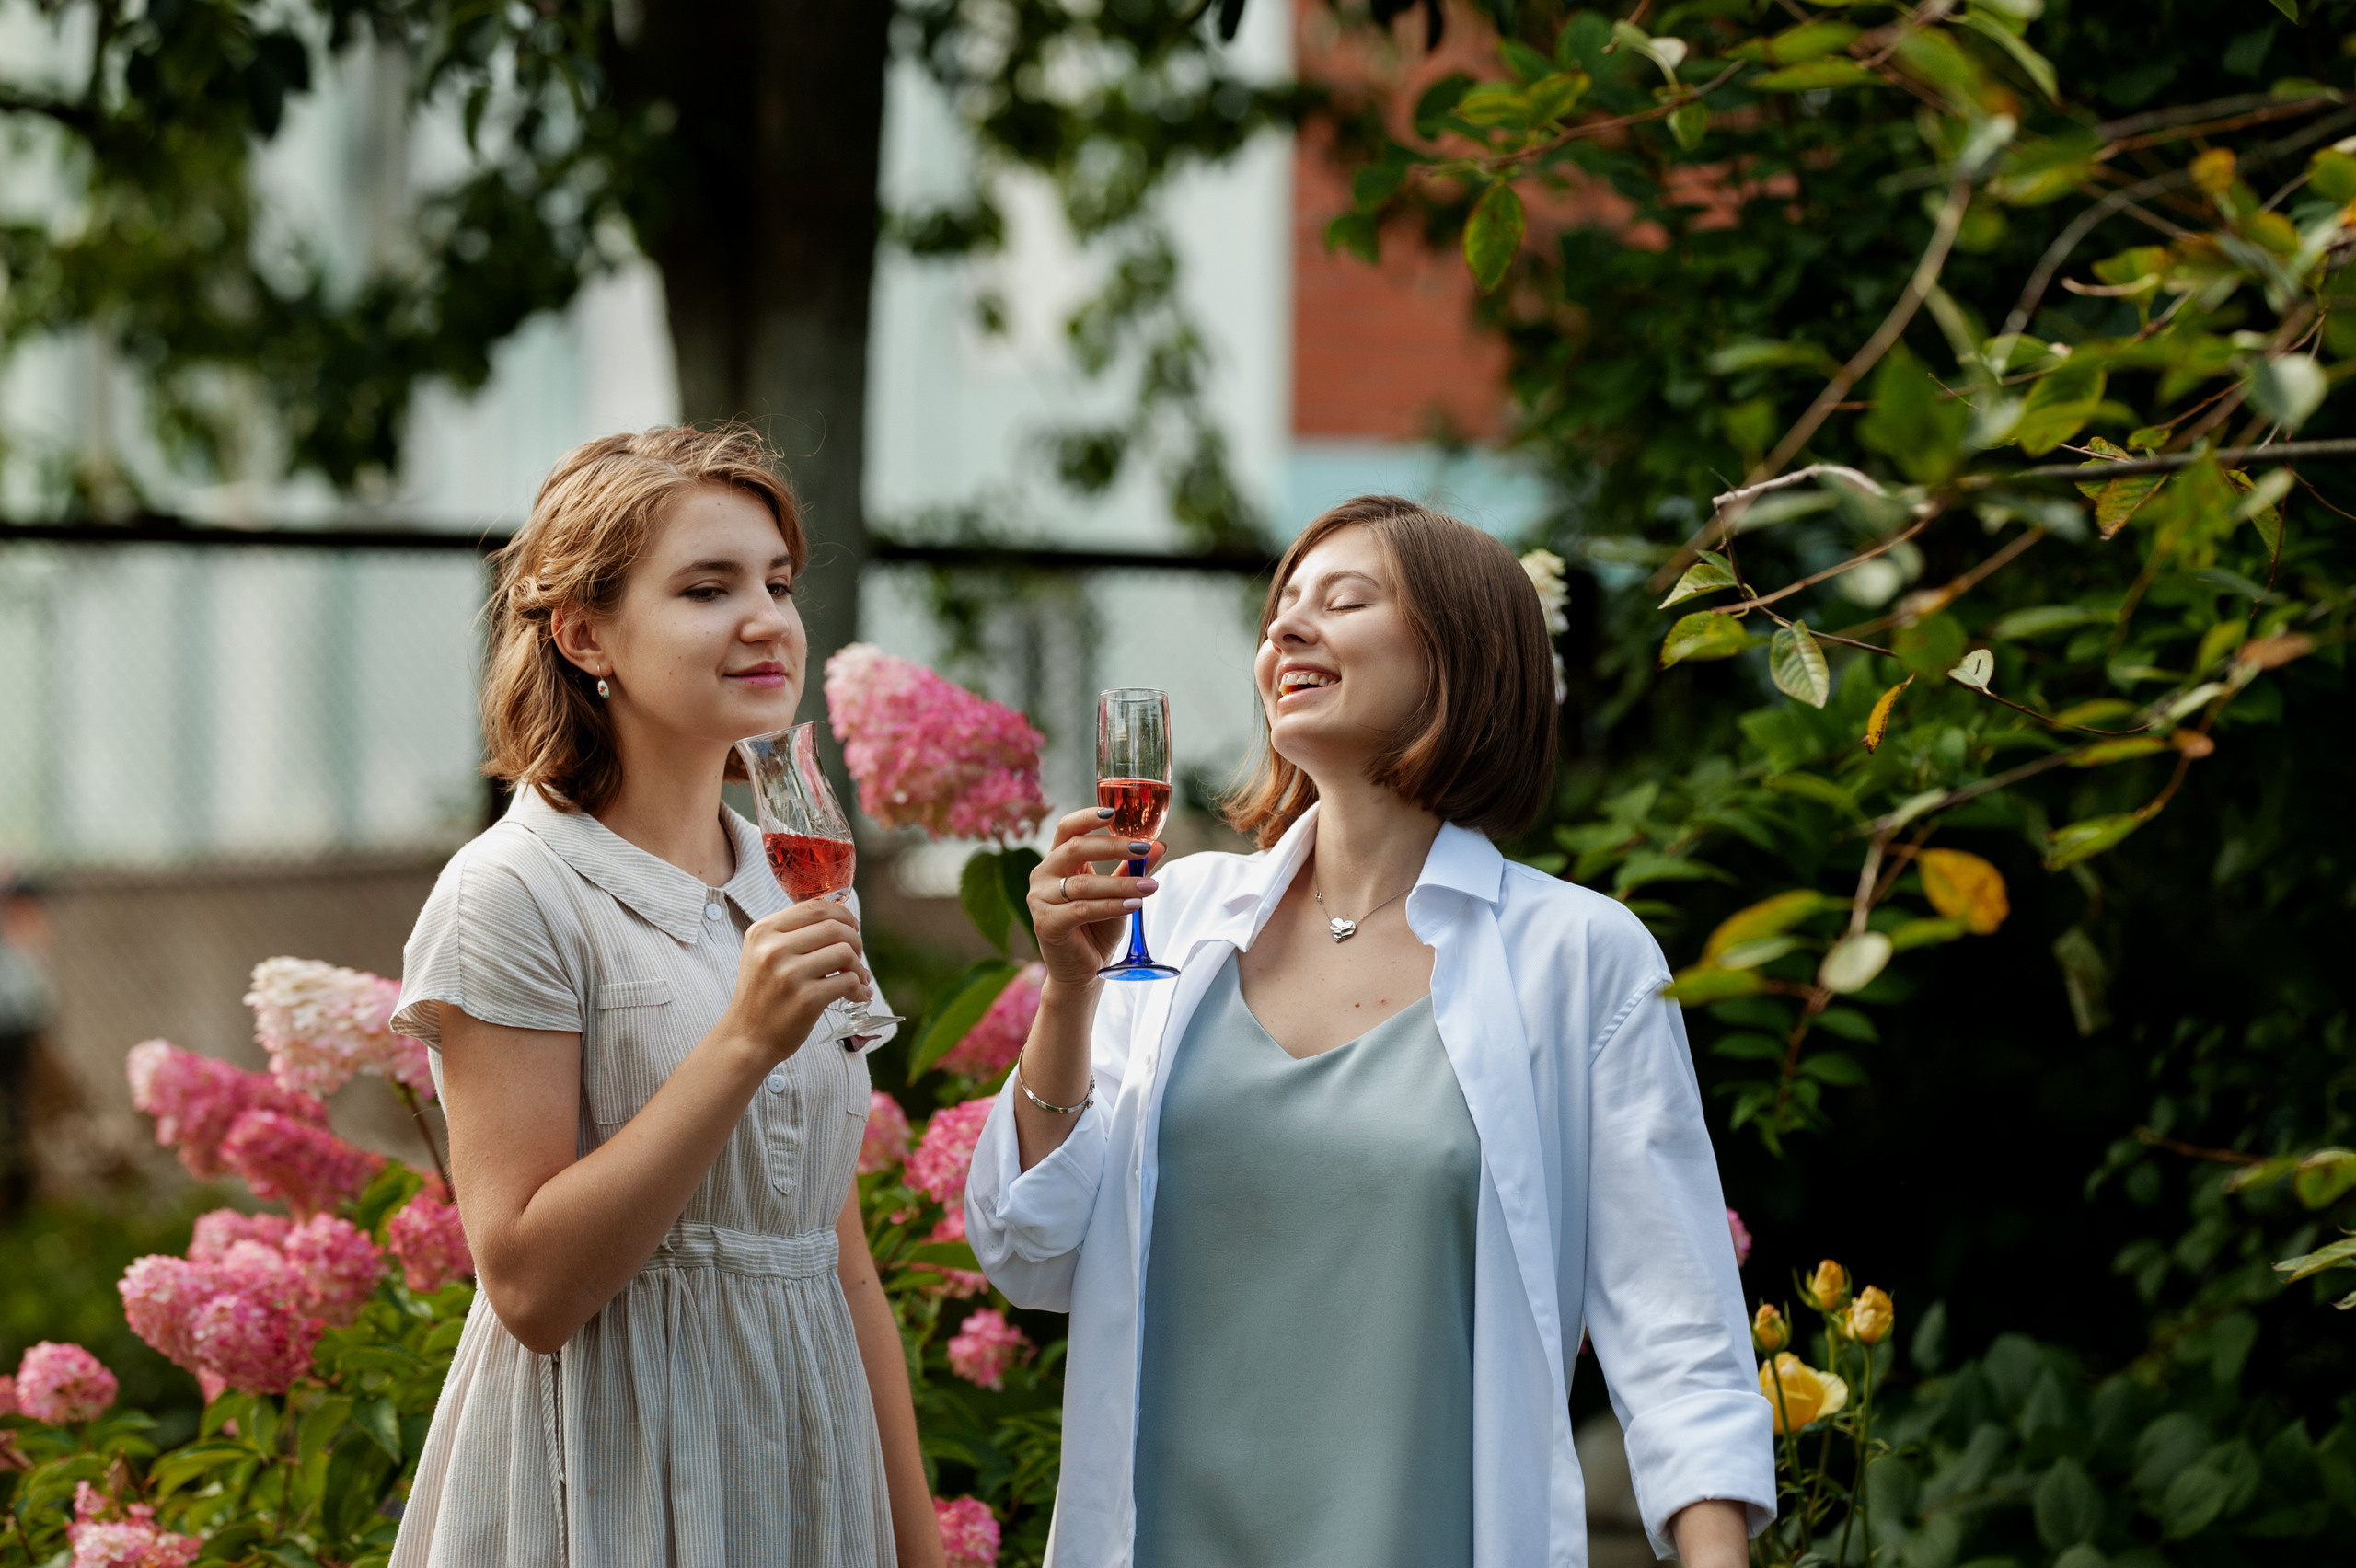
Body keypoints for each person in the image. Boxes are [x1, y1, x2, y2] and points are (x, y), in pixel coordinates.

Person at [966, 496, 1774, 1568]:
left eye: (1343, 602)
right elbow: (1030, 1249)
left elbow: (1679, 1337)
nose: (1287, 632)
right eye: (1279, 612)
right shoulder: (1172, 918)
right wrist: (1068, 993)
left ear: (1464, 659)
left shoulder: (1579, 956)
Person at [387, 426, 943, 1568]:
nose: (767, 619)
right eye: (707, 588)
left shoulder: (797, 874)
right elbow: (531, 1286)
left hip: (806, 1472)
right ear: (585, 633)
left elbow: (833, 1261)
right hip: (610, 1478)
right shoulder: (514, 891)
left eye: (777, 583)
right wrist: (742, 1043)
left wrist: (916, 1549)